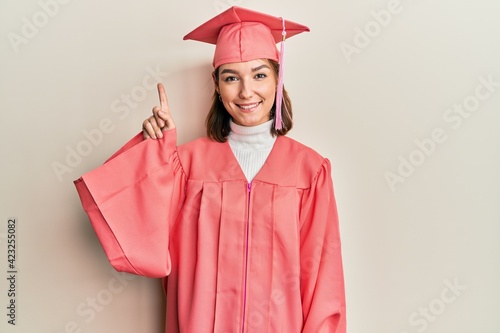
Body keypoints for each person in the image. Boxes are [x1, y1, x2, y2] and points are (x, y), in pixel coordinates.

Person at [75, 6, 346, 333]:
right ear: (216, 84)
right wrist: (155, 152)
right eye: (232, 77)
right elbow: (140, 237)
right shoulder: (186, 167)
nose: (247, 92)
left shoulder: (310, 171)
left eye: (259, 75)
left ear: (278, 78)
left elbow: (324, 281)